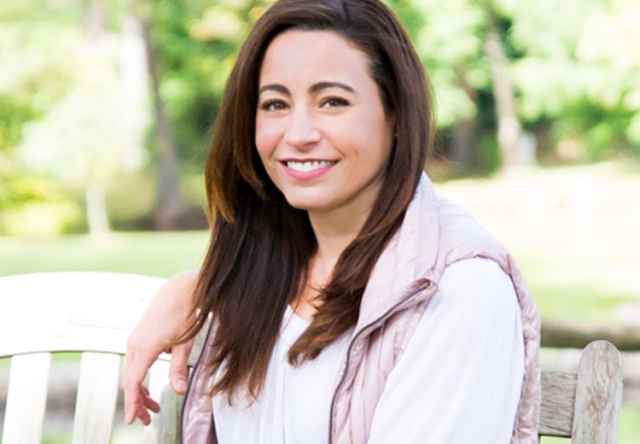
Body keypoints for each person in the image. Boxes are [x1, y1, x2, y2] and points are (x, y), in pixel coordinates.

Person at [121, 0, 541, 443]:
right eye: (275, 104)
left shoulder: (460, 291)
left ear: (394, 114)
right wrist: (198, 284)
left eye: (333, 101)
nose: (298, 134)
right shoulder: (257, 280)